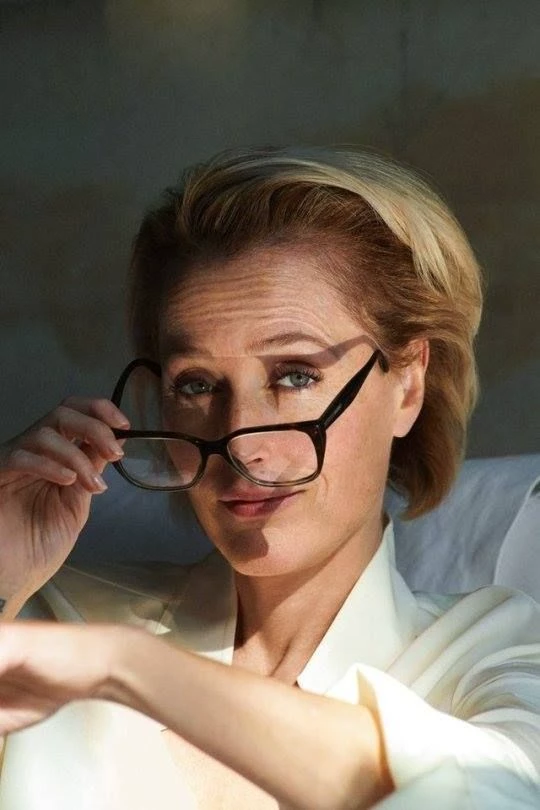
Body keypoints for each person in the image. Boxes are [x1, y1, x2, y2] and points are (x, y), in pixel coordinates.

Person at [0, 147, 539, 810]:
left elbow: (495, 794)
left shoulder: (494, 654)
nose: (242, 446)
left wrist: (126, 668)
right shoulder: (51, 622)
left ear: (407, 384)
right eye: (196, 385)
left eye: (295, 376)